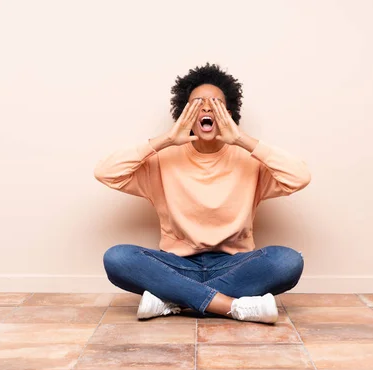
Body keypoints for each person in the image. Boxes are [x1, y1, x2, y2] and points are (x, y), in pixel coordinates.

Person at [94, 63, 311, 324]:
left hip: (234, 266)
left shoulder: (249, 160)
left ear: (228, 113)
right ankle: (230, 306)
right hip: (176, 265)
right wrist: (166, 139)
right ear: (184, 113)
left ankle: (174, 300)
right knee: (117, 258)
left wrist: (241, 139)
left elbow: (299, 176)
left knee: (287, 261)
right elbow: (105, 171)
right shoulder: (164, 160)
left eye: (215, 104)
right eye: (197, 104)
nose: (207, 108)